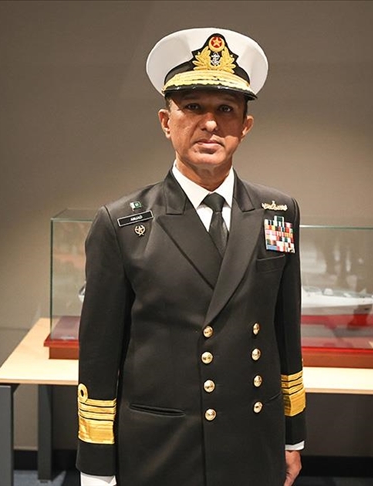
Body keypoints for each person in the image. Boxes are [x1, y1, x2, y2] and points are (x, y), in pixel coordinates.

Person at [76, 27, 306, 486]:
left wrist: (292, 436)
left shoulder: (278, 212)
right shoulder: (122, 224)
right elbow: (99, 356)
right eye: (194, 107)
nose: (210, 124)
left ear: (245, 126)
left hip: (253, 437)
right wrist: (96, 467)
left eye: (226, 110)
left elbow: (285, 331)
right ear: (166, 122)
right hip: (162, 445)